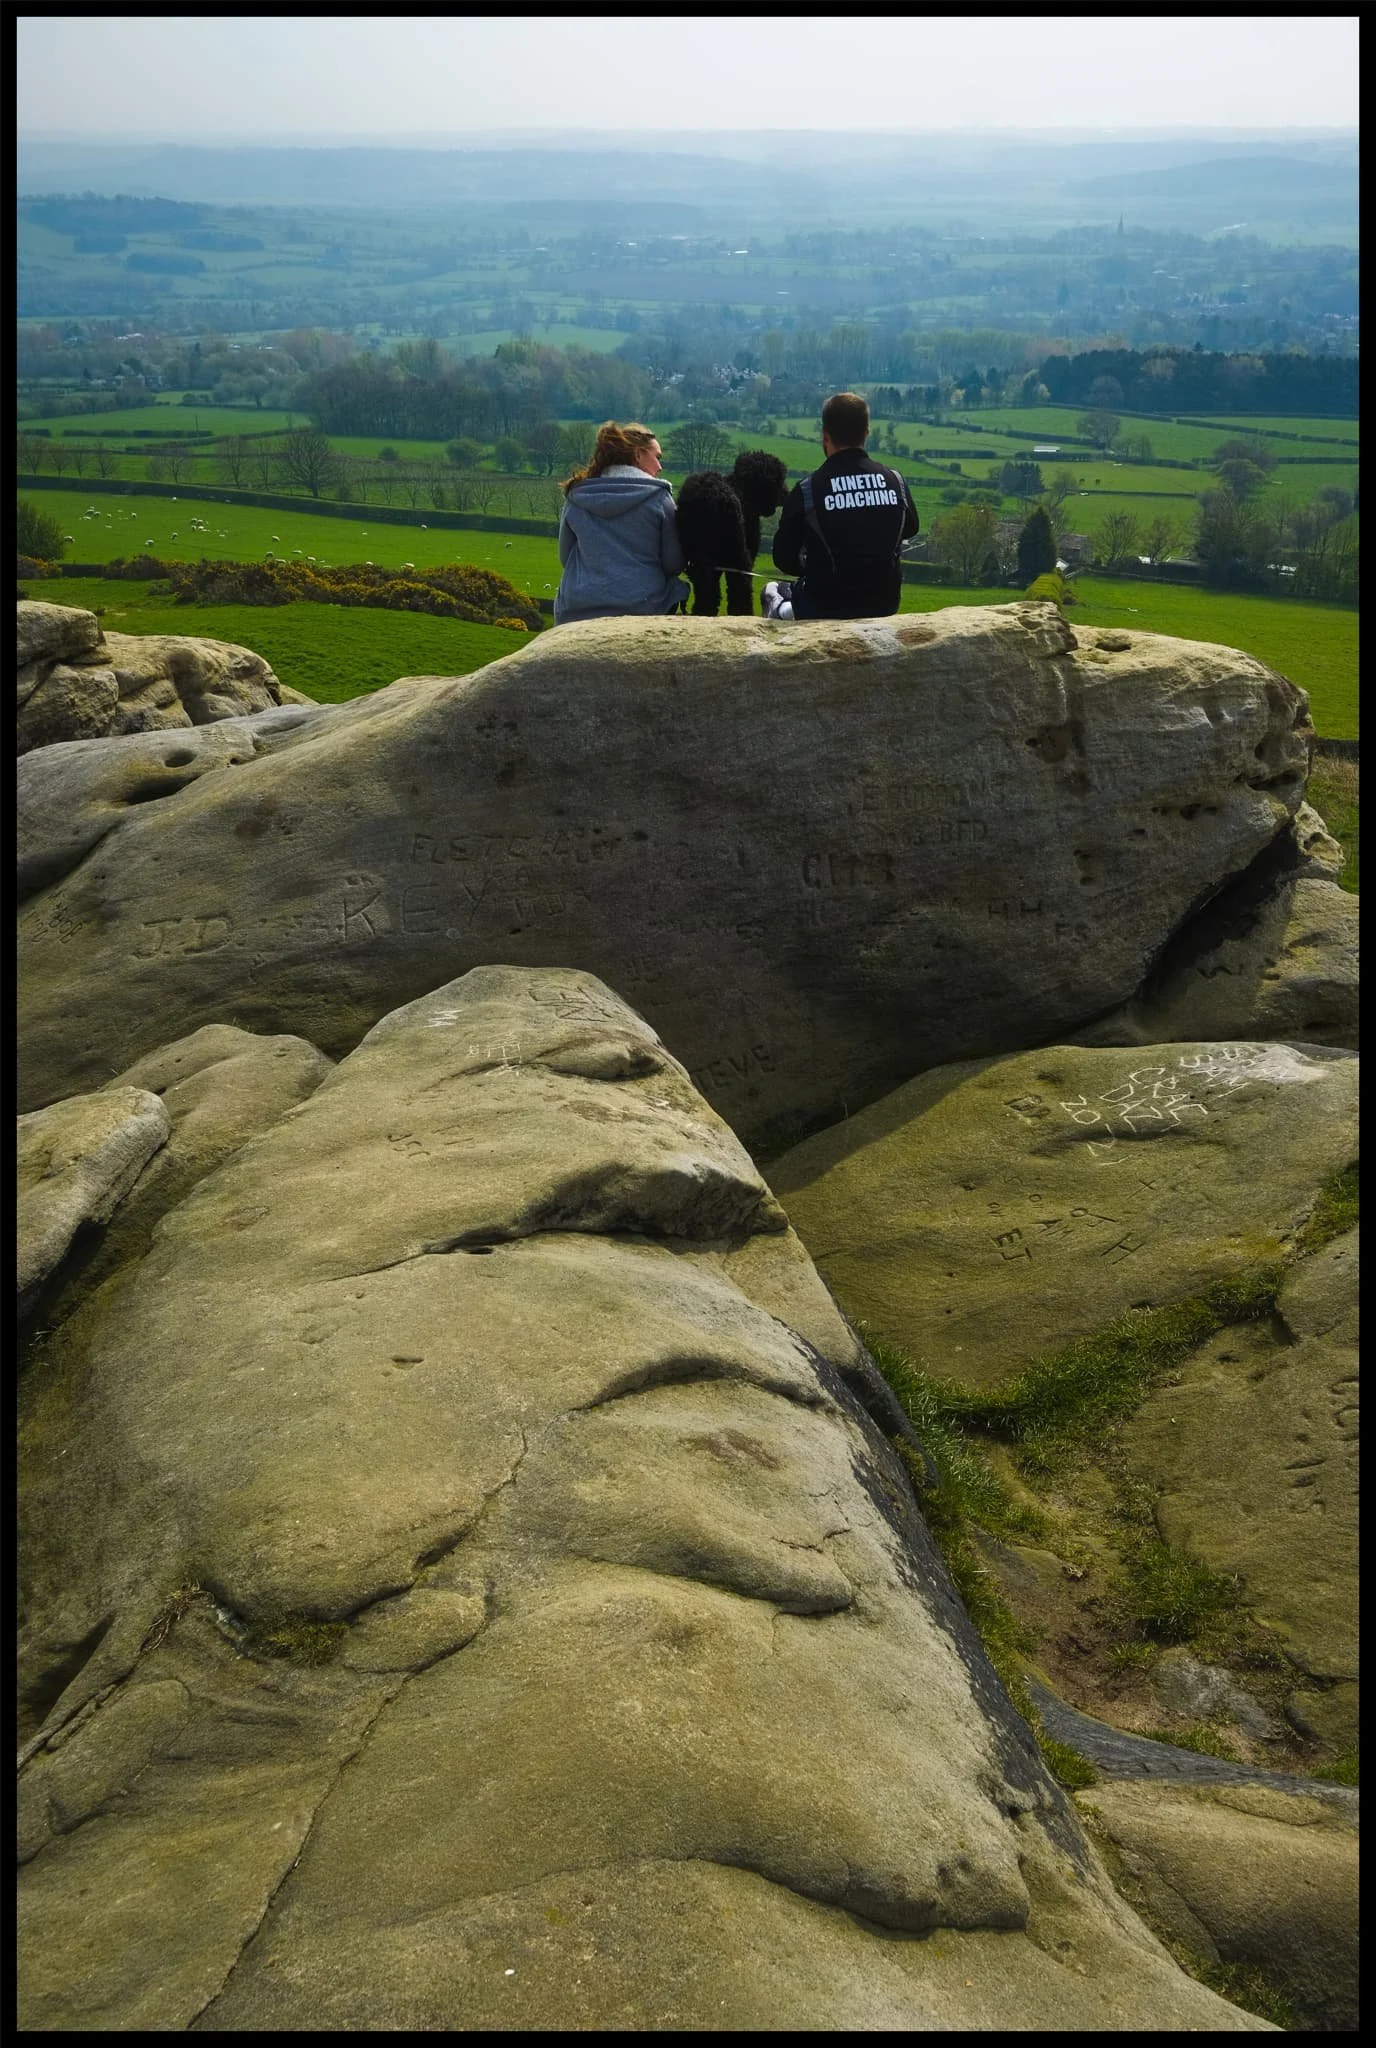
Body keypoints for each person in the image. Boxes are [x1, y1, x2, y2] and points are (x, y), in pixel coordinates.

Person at [763, 392, 919, 621]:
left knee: (771, 591)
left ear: (825, 435)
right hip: (883, 605)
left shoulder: (807, 491)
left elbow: (783, 558)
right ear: (866, 433)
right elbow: (911, 528)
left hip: (822, 608)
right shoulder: (895, 481)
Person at [553, 422, 689, 625]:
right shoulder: (659, 498)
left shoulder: (577, 495)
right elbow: (673, 564)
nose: (660, 467)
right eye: (657, 457)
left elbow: (566, 558)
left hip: (576, 608)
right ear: (638, 455)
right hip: (642, 608)